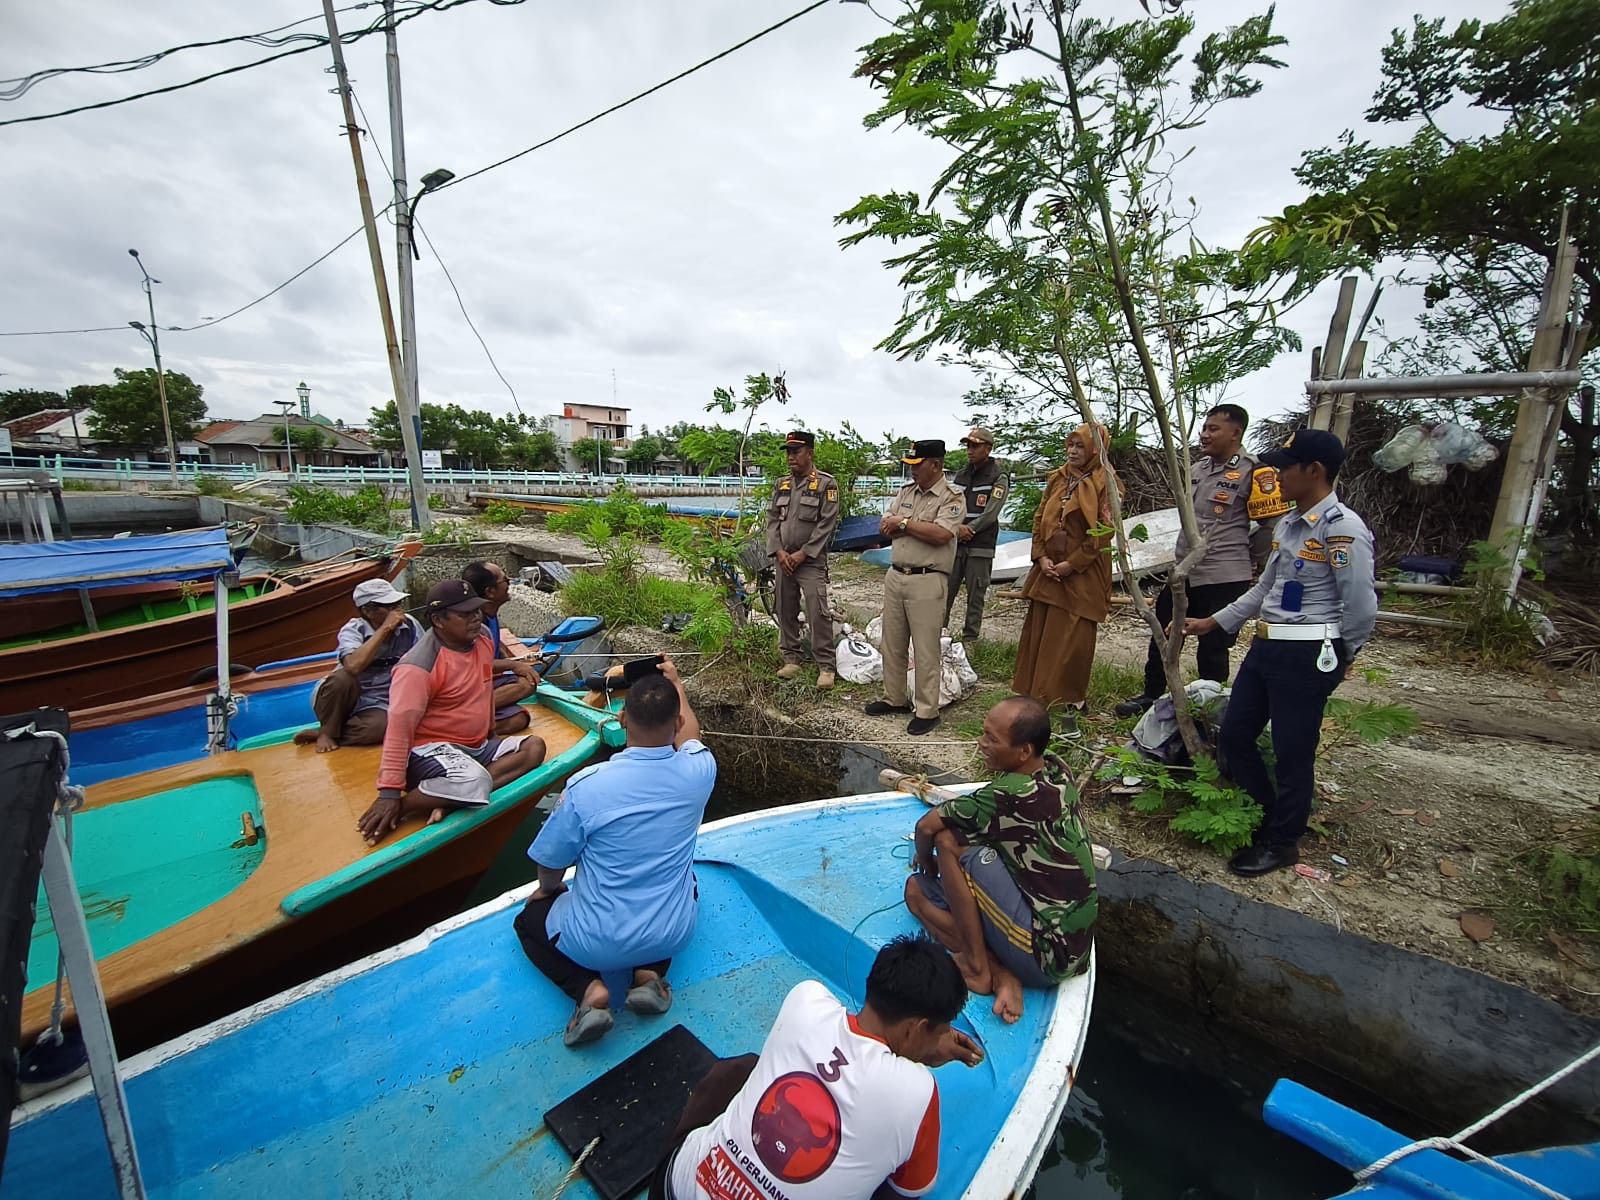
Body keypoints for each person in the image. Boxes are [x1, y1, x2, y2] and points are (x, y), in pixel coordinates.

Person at [651, 935, 984, 1200]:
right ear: (915, 1028)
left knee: (744, 1068)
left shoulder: (805, 999)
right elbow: (905, 1193)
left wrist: (924, 1042)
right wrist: (920, 1054)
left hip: (675, 1188)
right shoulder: (919, 1092)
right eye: (940, 1030)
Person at [1183, 429, 1377, 877]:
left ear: (1315, 470)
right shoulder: (1290, 524)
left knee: (1293, 751)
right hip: (1267, 646)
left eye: (1286, 468)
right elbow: (1265, 590)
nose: (1276, 477)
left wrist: (1344, 654)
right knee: (1235, 735)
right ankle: (1265, 814)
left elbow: (1361, 604)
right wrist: (1214, 622)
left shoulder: (1341, 528)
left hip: (1307, 652)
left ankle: (1282, 841)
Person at [514, 655, 717, 1047]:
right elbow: (692, 736)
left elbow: (550, 862)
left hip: (593, 945)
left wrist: (548, 891)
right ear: (675, 724)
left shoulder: (587, 786)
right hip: (673, 934)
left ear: (622, 719)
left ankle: (589, 992)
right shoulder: (700, 772)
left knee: (528, 921)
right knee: (688, 881)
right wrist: (676, 683)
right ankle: (649, 975)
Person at [905, 696, 1096, 1024]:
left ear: (1024, 751)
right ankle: (1002, 973)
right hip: (1075, 948)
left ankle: (980, 969)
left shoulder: (1007, 795)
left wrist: (926, 859)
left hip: (1048, 956)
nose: (982, 743)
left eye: (992, 739)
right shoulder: (1056, 769)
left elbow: (926, 827)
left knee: (942, 848)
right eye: (984, 733)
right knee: (921, 888)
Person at [1116, 404, 1284, 718]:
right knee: (1163, 634)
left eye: (1213, 429)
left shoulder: (1255, 471)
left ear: (1235, 433)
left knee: (1214, 645)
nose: (1204, 434)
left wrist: (1254, 560)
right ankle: (1152, 696)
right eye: (1204, 428)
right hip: (1184, 571)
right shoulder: (1197, 469)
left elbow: (1269, 526)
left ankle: (1209, 708)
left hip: (1224, 575)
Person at [357, 578, 549, 846]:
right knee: (475, 781)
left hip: (475, 745)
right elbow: (399, 729)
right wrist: (388, 794)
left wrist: (491, 732)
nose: (475, 618)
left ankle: (452, 798)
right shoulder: (417, 667)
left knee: (534, 747)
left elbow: (481, 679)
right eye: (465, 614)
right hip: (430, 750)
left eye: (477, 610)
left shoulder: (482, 637)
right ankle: (405, 807)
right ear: (438, 620)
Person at [1012, 425, 1116, 739]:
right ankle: (1035, 696)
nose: (1072, 451)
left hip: (1082, 575)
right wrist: (1041, 556)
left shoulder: (1106, 482)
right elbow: (1039, 517)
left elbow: (1105, 531)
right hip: (1049, 572)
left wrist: (1073, 564)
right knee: (1041, 633)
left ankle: (1070, 701)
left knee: (1072, 638)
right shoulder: (1059, 477)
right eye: (1070, 445)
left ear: (1096, 450)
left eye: (1080, 447)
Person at [864, 439, 965, 736]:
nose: (913, 471)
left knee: (925, 648)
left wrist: (904, 524)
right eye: (910, 465)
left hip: (927, 579)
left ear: (936, 464)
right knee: (892, 643)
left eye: (917, 465)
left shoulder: (952, 496)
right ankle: (894, 698)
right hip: (896, 575)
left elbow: (941, 534)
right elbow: (885, 525)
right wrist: (906, 525)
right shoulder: (907, 492)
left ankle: (926, 710)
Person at [293, 578, 423, 753]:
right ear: (367, 611)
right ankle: (327, 731)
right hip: (342, 698)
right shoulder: (353, 629)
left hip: (379, 700)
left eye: (398, 605)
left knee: (379, 728)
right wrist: (385, 629)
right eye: (389, 607)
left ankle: (327, 734)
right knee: (343, 678)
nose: (397, 611)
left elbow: (424, 660)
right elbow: (353, 666)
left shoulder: (410, 626)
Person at [767, 431, 842, 690]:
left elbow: (826, 524)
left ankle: (826, 666)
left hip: (809, 561)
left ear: (809, 453)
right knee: (784, 607)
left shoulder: (825, 485)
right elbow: (772, 519)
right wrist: (778, 551)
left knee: (816, 611)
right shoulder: (782, 484)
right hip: (784, 559)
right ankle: (792, 658)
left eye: (796, 452)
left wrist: (804, 553)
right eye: (788, 452)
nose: (791, 457)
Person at [461, 559, 547, 735]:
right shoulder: (476, 623)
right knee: (527, 684)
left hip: (485, 683)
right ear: (490, 592)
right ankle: (462, 715)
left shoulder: (490, 615)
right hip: (468, 687)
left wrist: (514, 660)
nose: (509, 583)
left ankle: (471, 726)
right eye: (505, 580)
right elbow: (475, 665)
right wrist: (513, 665)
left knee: (519, 719)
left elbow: (493, 653)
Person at [943, 427, 1011, 642]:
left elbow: (991, 512)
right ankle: (939, 634)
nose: (970, 450)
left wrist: (969, 528)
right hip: (956, 544)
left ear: (988, 448)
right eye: (968, 446)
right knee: (945, 591)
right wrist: (956, 528)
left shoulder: (998, 477)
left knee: (976, 595)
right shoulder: (962, 474)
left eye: (975, 446)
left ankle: (970, 639)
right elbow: (951, 505)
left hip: (980, 545)